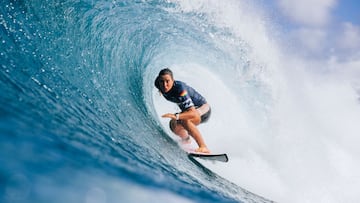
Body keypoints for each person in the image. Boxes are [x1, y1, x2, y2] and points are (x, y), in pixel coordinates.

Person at [154, 68, 211, 153]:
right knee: (173, 124)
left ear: (173, 80)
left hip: (203, 110)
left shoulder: (180, 90)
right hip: (191, 111)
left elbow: (193, 113)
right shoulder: (158, 85)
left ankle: (203, 147)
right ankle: (186, 141)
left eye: (167, 81)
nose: (164, 85)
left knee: (183, 120)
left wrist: (176, 116)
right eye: (162, 81)